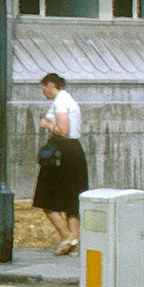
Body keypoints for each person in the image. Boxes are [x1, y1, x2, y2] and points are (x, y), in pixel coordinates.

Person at [33, 71, 89, 255]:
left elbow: (63, 130)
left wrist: (47, 125)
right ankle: (75, 244)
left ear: (51, 85)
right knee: (72, 202)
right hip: (74, 151)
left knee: (45, 199)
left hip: (61, 152)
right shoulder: (70, 100)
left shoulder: (60, 103)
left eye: (44, 87)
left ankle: (67, 237)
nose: (43, 92)